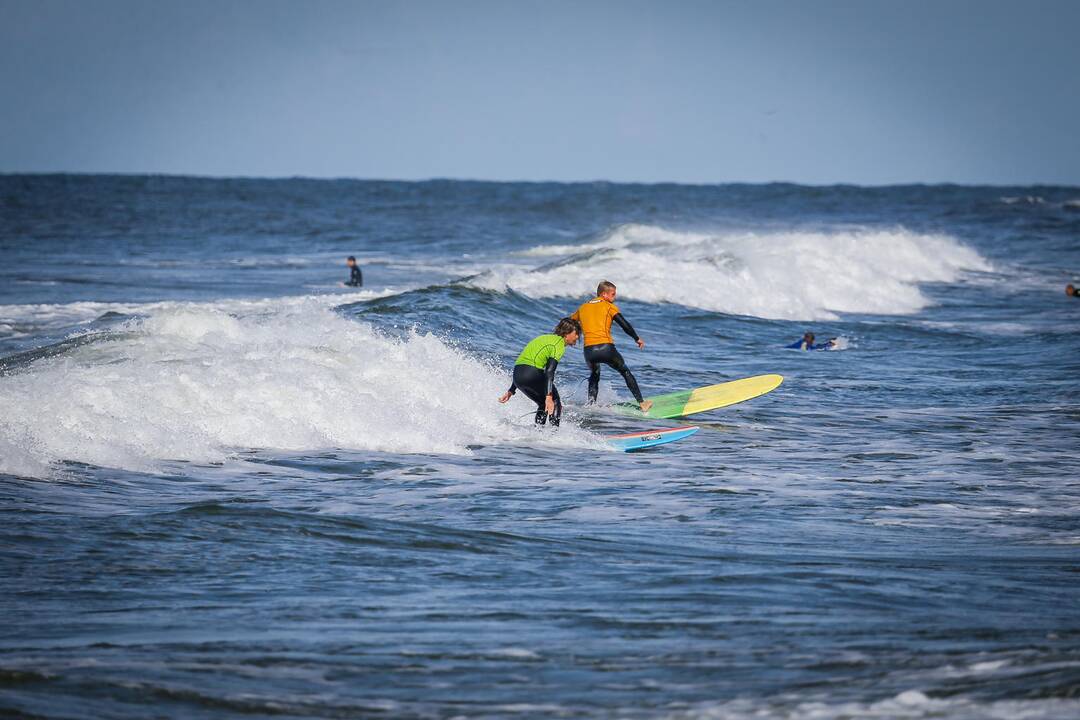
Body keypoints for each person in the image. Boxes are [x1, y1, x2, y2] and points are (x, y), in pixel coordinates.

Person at [570, 281, 652, 413]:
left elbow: (569, 322)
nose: (614, 298)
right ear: (604, 294)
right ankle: (642, 403)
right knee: (624, 371)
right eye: (613, 295)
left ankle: (591, 405)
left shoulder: (583, 307)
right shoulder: (609, 306)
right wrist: (637, 338)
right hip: (606, 348)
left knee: (594, 374)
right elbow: (624, 324)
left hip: (589, 351)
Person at [499, 318, 581, 426]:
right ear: (566, 333)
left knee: (543, 404)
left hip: (517, 376)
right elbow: (549, 371)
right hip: (531, 373)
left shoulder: (543, 338)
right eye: (576, 333)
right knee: (555, 401)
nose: (578, 337)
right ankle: (554, 434)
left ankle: (538, 433)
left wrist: (511, 390)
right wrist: (548, 396)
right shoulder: (558, 344)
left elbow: (524, 364)